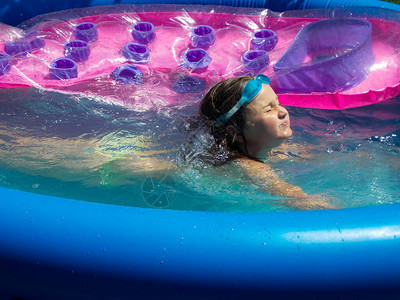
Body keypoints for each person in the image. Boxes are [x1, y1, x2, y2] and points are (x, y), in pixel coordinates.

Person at [199, 74, 337, 210]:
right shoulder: (250, 168)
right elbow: (296, 199)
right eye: (269, 109)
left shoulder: (278, 150)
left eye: (278, 103)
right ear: (236, 133)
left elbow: (323, 155)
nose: (283, 112)